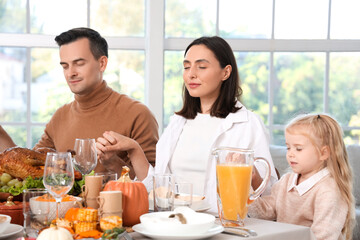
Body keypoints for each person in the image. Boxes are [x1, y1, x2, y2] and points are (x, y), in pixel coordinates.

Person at [97, 36, 278, 212]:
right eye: (186, 66)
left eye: (201, 66)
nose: (191, 74)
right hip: (176, 222)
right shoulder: (178, 122)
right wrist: (134, 148)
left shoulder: (247, 123)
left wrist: (251, 173)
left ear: (226, 72)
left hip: (222, 225)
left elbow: (269, 194)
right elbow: (158, 187)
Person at [30, 27, 159, 178]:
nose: (71, 73)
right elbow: (31, 165)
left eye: (79, 63)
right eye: (65, 66)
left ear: (102, 63)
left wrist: (113, 163)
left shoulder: (138, 114)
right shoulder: (59, 117)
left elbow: (154, 186)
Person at [248, 114, 355, 240]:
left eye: (298, 149)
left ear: (323, 153)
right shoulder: (286, 181)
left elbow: (323, 237)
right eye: (288, 147)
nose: (290, 154)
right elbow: (264, 212)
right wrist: (244, 188)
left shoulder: (328, 191)